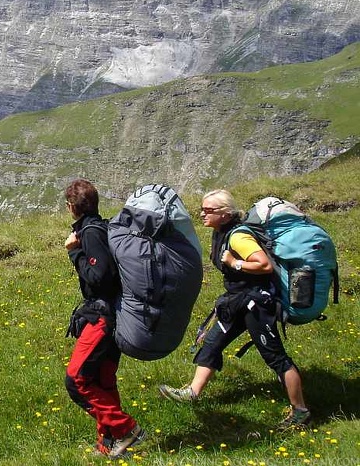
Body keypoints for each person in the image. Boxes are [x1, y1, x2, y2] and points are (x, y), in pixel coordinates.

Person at [159, 189, 311, 430]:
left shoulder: (238, 235)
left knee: (275, 357)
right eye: (202, 209)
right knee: (212, 343)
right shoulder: (221, 232)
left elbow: (264, 265)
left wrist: (234, 262)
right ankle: (192, 393)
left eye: (208, 210)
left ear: (225, 213)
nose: (202, 214)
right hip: (236, 301)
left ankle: (300, 411)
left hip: (255, 305)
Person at [63, 179, 145, 457]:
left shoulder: (91, 233)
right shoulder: (103, 227)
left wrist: (75, 253)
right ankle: (109, 443)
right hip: (116, 314)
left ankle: (125, 429)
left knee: (77, 380)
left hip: (102, 317)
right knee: (102, 380)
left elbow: (100, 276)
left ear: (72, 207)